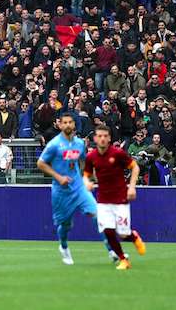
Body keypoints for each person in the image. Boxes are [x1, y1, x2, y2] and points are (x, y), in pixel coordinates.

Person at [37, 113, 106, 266]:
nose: (68, 125)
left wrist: (87, 178)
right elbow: (41, 163)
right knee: (66, 225)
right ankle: (63, 246)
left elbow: (83, 161)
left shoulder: (80, 143)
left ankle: (113, 250)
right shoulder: (54, 144)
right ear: (60, 125)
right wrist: (58, 177)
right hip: (61, 191)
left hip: (79, 188)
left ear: (74, 125)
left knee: (97, 215)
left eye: (70, 122)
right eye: (65, 122)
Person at [83, 123, 146, 271]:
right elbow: (86, 174)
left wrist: (131, 187)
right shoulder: (91, 156)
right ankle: (123, 260)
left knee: (123, 234)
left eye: (105, 136)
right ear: (95, 138)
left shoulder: (117, 154)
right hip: (103, 200)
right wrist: (87, 182)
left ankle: (134, 237)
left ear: (110, 138)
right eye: (100, 136)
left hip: (120, 199)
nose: (102, 139)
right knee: (108, 231)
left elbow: (135, 166)